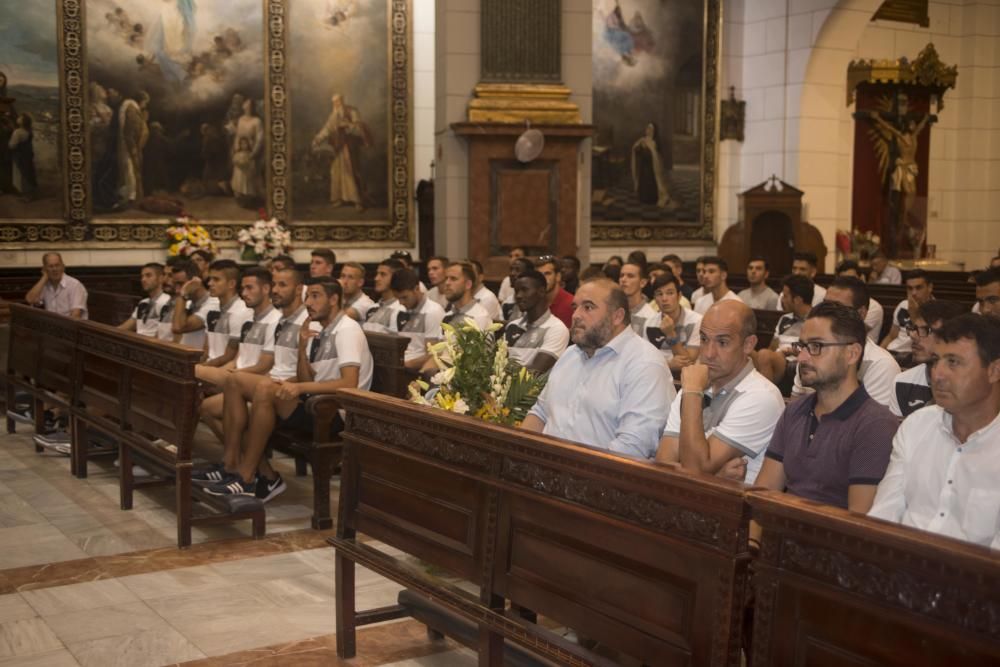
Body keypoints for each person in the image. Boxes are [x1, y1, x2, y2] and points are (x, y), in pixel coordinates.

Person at [204, 279, 373, 499]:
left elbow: (349, 383)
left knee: (264, 389)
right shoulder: (317, 329)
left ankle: (247, 477)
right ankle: (231, 465)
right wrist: (302, 349)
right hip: (315, 402)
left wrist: (298, 387)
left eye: (315, 296)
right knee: (235, 381)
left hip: (336, 413)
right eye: (307, 297)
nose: (308, 303)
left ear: (333, 300)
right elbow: (306, 377)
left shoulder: (347, 329)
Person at [868, 314, 1000, 549]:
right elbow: (884, 516)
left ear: (994, 371)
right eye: (935, 361)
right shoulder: (916, 425)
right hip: (899, 571)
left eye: (953, 362)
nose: (937, 375)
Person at [753, 302, 899, 514]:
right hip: (779, 536)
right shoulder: (795, 411)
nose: (802, 357)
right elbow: (763, 497)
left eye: (816, 347)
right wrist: (754, 545)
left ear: (852, 353)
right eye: (801, 346)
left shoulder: (875, 424)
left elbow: (859, 522)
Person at [522, 278, 674, 459]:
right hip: (548, 470)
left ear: (617, 316)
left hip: (600, 477)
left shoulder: (644, 364)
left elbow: (633, 447)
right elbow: (540, 413)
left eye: (588, 307)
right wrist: (521, 452)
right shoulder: (570, 355)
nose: (576, 315)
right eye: (574, 307)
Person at [195, 268, 309, 489]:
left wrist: (287, 384)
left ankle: (243, 470)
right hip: (269, 386)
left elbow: (304, 371)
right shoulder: (282, 320)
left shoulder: (303, 321)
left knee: (225, 381)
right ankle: (249, 469)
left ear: (298, 289)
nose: (276, 290)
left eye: (281, 285)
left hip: (285, 392)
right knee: (208, 407)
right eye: (275, 284)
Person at [657, 300, 784, 483]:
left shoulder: (761, 396)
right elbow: (664, 464)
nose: (708, 353)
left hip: (736, 509)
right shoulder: (695, 383)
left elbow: (695, 470)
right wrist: (717, 476)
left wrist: (692, 392)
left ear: (748, 344)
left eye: (722, 342)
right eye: (704, 339)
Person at [790, 276, 901, 408]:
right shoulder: (807, 353)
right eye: (824, 304)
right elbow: (795, 410)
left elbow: (871, 421)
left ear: (861, 314)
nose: (826, 313)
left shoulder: (881, 365)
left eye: (838, 308)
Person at [199, 268, 281, 439]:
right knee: (203, 407)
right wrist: (227, 372)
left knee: (192, 372)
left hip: (256, 383)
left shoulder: (275, 320)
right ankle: (238, 457)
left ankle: (237, 458)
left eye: (250, 288)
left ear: (266, 289)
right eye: (242, 289)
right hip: (237, 376)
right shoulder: (248, 319)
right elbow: (238, 359)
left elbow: (264, 365)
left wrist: (232, 375)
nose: (244, 293)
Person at [889, 300, 966, 418]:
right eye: (914, 328)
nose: (913, 336)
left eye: (926, 330)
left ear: (953, 336)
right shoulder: (902, 381)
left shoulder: (971, 383)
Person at [193, 260, 254, 386]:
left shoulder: (242, 311)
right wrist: (200, 364)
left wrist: (202, 367)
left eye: (216, 280)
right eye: (210, 279)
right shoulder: (212, 310)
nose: (210, 283)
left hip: (228, 370)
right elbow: (206, 349)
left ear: (231, 284)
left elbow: (230, 356)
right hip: (208, 367)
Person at [311, 93, 371, 211]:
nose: (336, 104)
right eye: (334, 102)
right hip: (338, 147)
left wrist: (347, 125)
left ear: (342, 101)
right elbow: (327, 129)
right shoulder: (333, 115)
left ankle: (358, 201)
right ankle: (339, 198)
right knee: (335, 171)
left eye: (338, 101)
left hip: (350, 147)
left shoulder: (352, 111)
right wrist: (318, 138)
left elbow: (359, 128)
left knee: (351, 171)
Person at [502, 269, 569, 374]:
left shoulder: (556, 328)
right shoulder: (512, 326)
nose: (518, 296)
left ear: (541, 291)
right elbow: (499, 364)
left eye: (524, 290)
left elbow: (535, 373)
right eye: (516, 291)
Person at [393, 268, 445, 371]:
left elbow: (433, 355)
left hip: (416, 370)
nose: (400, 302)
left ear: (416, 289)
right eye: (397, 298)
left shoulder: (433, 312)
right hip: (399, 365)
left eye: (404, 297)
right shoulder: (399, 310)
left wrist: (404, 365)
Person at [649, 273, 701, 371]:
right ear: (655, 299)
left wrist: (671, 334)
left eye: (670, 293)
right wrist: (669, 365)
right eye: (659, 294)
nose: (664, 299)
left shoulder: (696, 321)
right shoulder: (649, 323)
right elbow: (646, 361)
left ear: (679, 296)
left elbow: (688, 363)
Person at [880, 268, 934, 361]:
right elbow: (892, 336)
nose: (913, 293)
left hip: (911, 357)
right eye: (910, 288)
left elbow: (928, 343)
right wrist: (879, 352)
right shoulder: (903, 305)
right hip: (892, 353)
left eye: (919, 288)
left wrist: (914, 315)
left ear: (929, 287)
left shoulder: (938, 311)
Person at [25, 253, 88, 319]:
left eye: (57, 265)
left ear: (63, 267)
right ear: (45, 269)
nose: (54, 269)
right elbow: (30, 299)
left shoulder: (75, 285)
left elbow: (76, 316)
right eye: (51, 266)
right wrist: (44, 277)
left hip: (71, 326)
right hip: (53, 325)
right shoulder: (45, 285)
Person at [836, 259, 883, 339]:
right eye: (843, 280)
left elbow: (851, 332)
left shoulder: (874, 307)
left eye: (852, 279)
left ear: (861, 278)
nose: (848, 283)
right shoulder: (834, 301)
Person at [119, 263, 170, 337]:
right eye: (142, 276)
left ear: (161, 278)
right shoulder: (143, 303)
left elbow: (164, 335)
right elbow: (126, 327)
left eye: (148, 275)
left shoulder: (166, 301)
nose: (143, 280)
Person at [118, 91, 150, 205]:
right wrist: (133, 148)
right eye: (145, 102)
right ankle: (131, 197)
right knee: (130, 171)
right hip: (131, 147)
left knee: (133, 171)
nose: (145, 105)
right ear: (140, 100)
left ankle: (133, 196)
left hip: (134, 146)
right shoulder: (132, 110)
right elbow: (129, 131)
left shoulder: (134, 110)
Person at [631, 123, 673, 208]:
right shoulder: (642, 140)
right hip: (643, 167)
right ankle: (643, 198)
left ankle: (652, 199)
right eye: (647, 128)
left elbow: (655, 156)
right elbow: (636, 152)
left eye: (651, 129)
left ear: (654, 131)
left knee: (651, 183)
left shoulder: (654, 142)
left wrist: (646, 149)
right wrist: (638, 148)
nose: (648, 131)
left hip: (652, 168)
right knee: (643, 183)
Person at [440, 262, 492, 330]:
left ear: (468, 284)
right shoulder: (447, 316)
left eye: (453, 279)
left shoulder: (480, 317)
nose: (447, 283)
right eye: (446, 278)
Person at [362, 258, 405, 332]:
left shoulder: (401, 309)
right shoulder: (372, 308)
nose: (376, 278)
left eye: (383, 274)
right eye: (377, 274)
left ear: (396, 278)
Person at [619, 262, 657, 339]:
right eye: (621, 275)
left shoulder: (651, 317)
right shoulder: (612, 311)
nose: (623, 279)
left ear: (642, 283)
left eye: (630, 276)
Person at [8, 113, 37, 200]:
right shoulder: (29, 131)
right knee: (27, 172)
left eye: (20, 117)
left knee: (20, 174)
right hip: (27, 155)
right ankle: (29, 194)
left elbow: (12, 145)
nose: (18, 118)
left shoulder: (17, 132)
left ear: (22, 121)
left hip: (19, 155)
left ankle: (25, 195)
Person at [539, 256, 574, 328]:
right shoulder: (535, 303)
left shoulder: (571, 304)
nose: (543, 278)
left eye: (547, 274)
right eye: (539, 275)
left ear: (558, 276)